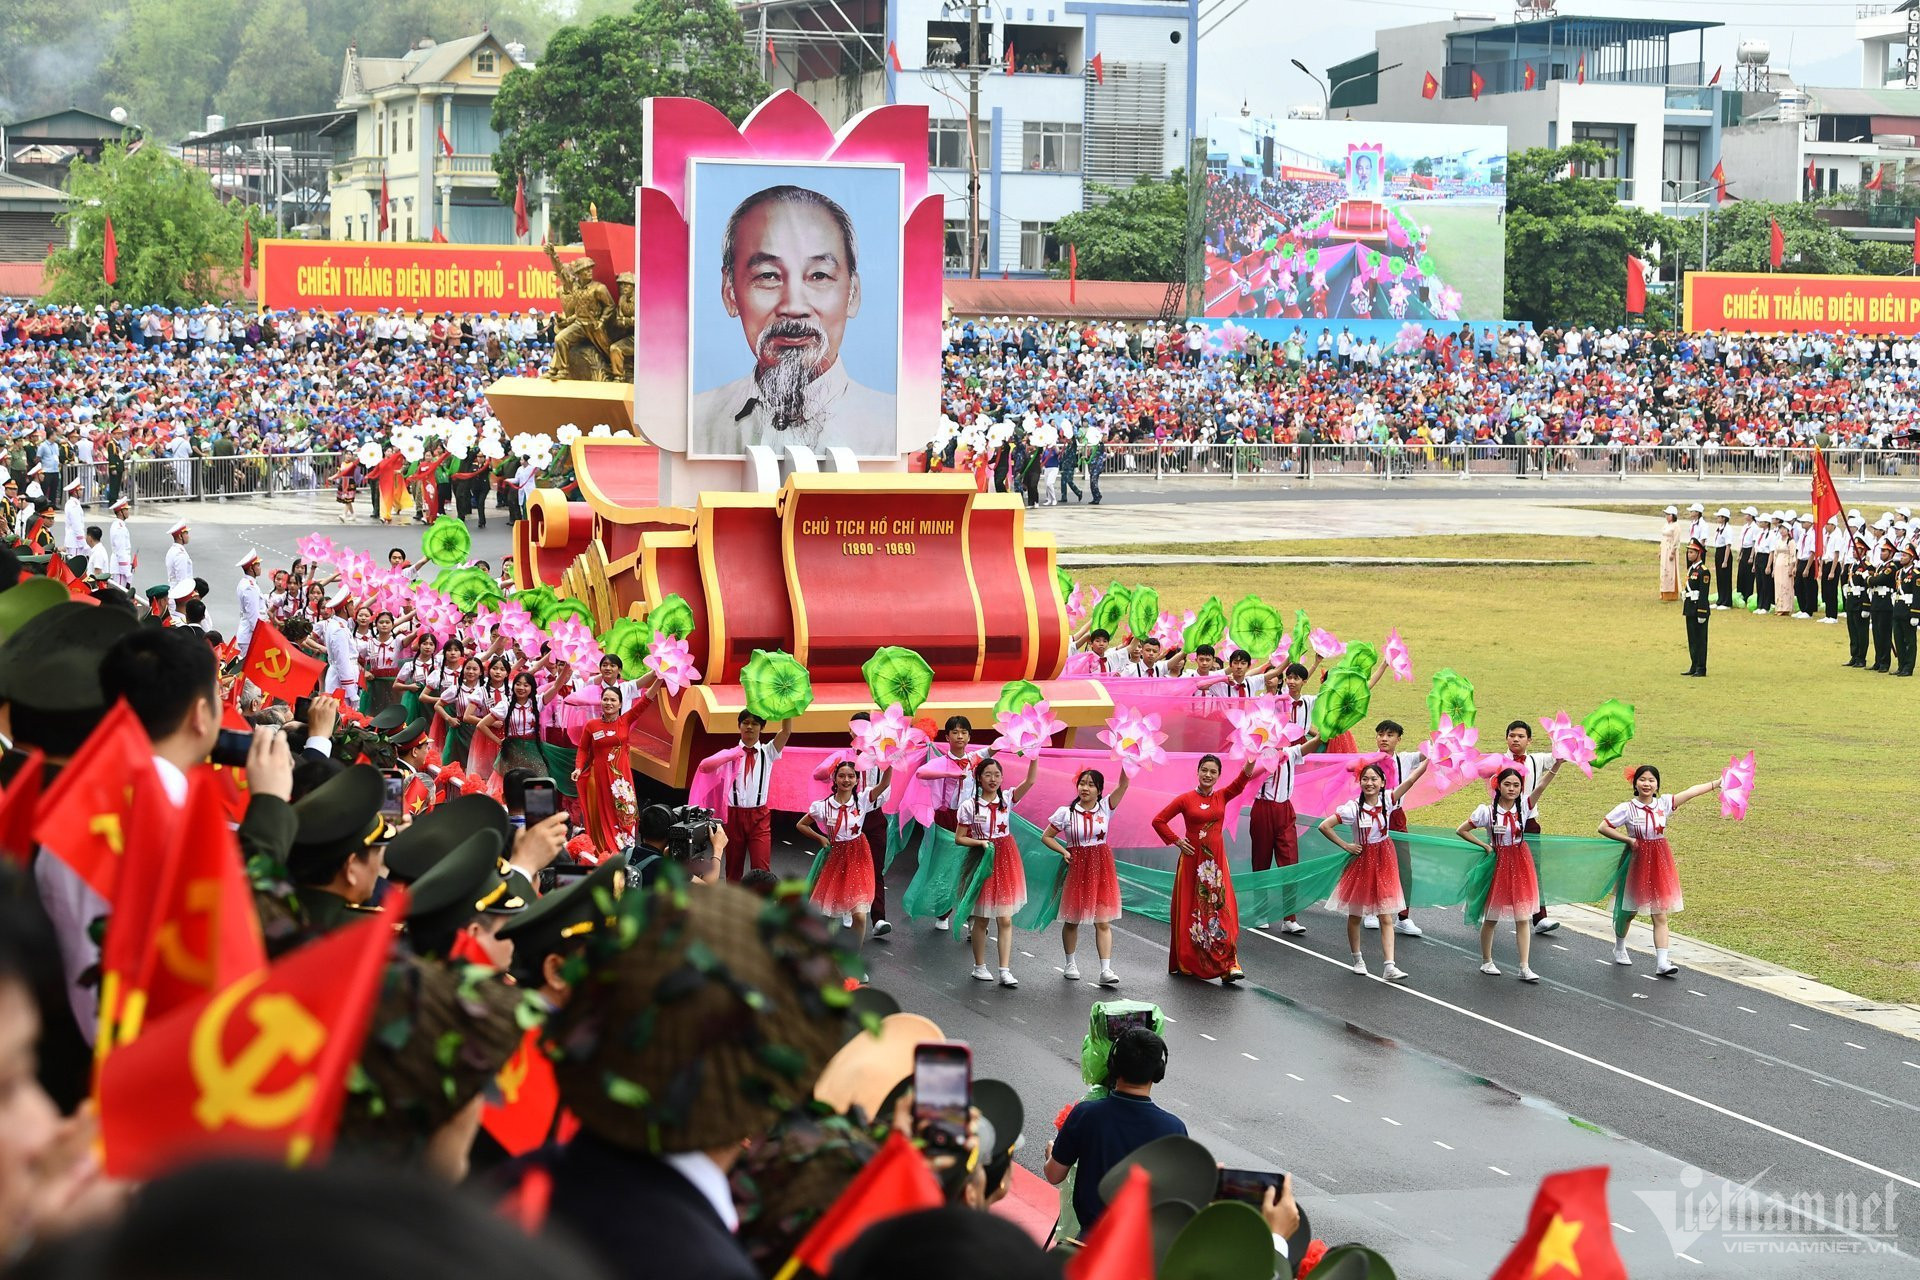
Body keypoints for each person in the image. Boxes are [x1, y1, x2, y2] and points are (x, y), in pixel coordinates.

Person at [689, 186, 895, 456]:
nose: (794, 307)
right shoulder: (696, 421)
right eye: (768, 276)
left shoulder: (891, 428)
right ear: (729, 291)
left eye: (819, 276)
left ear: (853, 294)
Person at [1042, 1027, 1186, 1231]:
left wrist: (1051, 1152)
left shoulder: (1086, 1114)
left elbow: (1054, 1174)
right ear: (1158, 1072)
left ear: (1113, 1065)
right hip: (1141, 1249)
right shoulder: (1174, 1128)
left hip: (1090, 1242)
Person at [1598, 764, 1724, 977]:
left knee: (1660, 914)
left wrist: (1717, 784)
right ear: (1635, 784)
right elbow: (1603, 827)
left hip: (1659, 861)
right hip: (1635, 861)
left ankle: (1662, 962)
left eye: (1651, 780)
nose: (1647, 784)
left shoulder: (1664, 804)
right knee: (1628, 912)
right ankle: (1619, 946)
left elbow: (1690, 792)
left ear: (1657, 785)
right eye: (1642, 780)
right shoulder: (1626, 808)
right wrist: (1628, 839)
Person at [1316, 755, 1429, 982]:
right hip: (1362, 861)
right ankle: (1357, 959)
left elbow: (1411, 780)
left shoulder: (1388, 800)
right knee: (1356, 915)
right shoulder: (1352, 809)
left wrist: (1430, 760)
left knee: (1386, 915)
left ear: (1383, 782)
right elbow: (1324, 825)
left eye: (1374, 779)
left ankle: (1390, 965)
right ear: (1360, 783)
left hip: (1385, 859)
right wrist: (1346, 845)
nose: (1370, 783)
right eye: (1365, 779)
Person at [1151, 753, 1258, 984]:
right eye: (1204, 770)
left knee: (1223, 912)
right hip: (1191, 865)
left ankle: (1230, 964)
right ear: (1197, 771)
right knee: (1194, 912)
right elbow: (1158, 820)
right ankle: (1190, 962)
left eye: (1213, 772)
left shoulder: (1222, 796)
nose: (1208, 775)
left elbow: (1242, 781)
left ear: (1218, 776)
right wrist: (1177, 841)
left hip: (1216, 867)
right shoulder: (1185, 799)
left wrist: (1252, 756)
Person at [1456, 761, 1564, 982]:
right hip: (1498, 863)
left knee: (1523, 916)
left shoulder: (1523, 807)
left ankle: (1524, 966)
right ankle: (1487, 961)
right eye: (1507, 784)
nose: (1512, 788)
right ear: (1498, 786)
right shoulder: (1486, 811)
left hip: (1520, 862)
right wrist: (1485, 846)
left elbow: (1541, 787)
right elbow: (1462, 830)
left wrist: (1556, 766)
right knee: (1492, 917)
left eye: (1516, 785)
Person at [1038, 766, 1131, 985]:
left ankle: (1106, 970)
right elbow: (1047, 836)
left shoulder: (1106, 807)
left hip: (1101, 866)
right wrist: (1064, 851)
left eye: (1091, 785)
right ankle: (1070, 963)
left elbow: (1124, 785)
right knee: (1073, 919)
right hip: (1078, 866)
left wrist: (1128, 758)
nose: (1085, 788)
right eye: (1082, 783)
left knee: (1103, 921)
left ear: (1099, 790)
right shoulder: (1066, 812)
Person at [955, 757, 1039, 987]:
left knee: (1005, 918)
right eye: (988, 774)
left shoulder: (1008, 798)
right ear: (979, 778)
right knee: (981, 918)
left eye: (997, 775)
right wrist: (979, 843)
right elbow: (959, 837)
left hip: (1005, 858)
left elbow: (1031, 780)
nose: (993, 779)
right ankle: (979, 966)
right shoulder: (969, 806)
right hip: (981, 860)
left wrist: (1033, 753)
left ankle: (1004, 970)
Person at [795, 759, 892, 949]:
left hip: (859, 857)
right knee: (828, 915)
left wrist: (890, 760)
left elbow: (885, 784)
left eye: (850, 776)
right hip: (835, 859)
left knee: (860, 915)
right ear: (835, 779)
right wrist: (820, 839)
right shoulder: (822, 806)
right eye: (842, 776)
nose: (846, 780)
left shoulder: (863, 799)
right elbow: (801, 824)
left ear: (857, 780)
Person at [573, 685, 647, 861]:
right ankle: (603, 854)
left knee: (625, 814)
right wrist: (578, 767)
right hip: (598, 779)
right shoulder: (592, 725)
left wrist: (660, 678)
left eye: (613, 699)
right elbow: (583, 748)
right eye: (605, 699)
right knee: (601, 816)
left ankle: (626, 853)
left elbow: (645, 703)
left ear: (620, 703)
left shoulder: (625, 721)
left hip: (621, 782)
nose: (609, 703)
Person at [721, 712, 792, 881]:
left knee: (761, 868)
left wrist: (787, 708)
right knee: (733, 868)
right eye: (745, 723)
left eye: (755, 724)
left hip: (759, 816)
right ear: (739, 726)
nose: (750, 727)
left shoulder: (768, 752)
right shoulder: (728, 754)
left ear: (762, 727)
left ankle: (761, 905)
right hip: (733, 815)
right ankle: (733, 905)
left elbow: (786, 732)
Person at [1682, 538, 1711, 677]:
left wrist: (1702, 612)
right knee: (1692, 638)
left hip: (1699, 609)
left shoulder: (1703, 571)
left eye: (1692, 552)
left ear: (1699, 553)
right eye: (1688, 552)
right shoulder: (1691, 570)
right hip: (1689, 608)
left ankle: (1701, 667)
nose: (1689, 554)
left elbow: (1703, 594)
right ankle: (1694, 664)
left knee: (1700, 639)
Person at [234, 549, 265, 659]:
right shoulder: (249, 587)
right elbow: (253, 615)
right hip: (250, 636)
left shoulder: (246, 583)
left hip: (248, 635)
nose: (260, 568)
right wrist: (259, 635)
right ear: (251, 568)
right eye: (258, 565)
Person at [1657, 505, 1680, 601]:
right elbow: (1663, 538)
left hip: (1671, 549)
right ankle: (1663, 592)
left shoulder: (1676, 526)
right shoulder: (1666, 525)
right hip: (1664, 548)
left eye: (1668, 515)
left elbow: (1676, 540)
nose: (1666, 516)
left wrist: (1673, 552)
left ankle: (1671, 593)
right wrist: (1660, 550)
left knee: (1671, 570)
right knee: (1664, 569)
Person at [163, 520, 193, 595]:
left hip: (174, 591)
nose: (188, 536)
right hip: (180, 594)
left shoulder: (173, 550)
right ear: (180, 536)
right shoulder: (180, 554)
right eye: (186, 533)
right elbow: (182, 580)